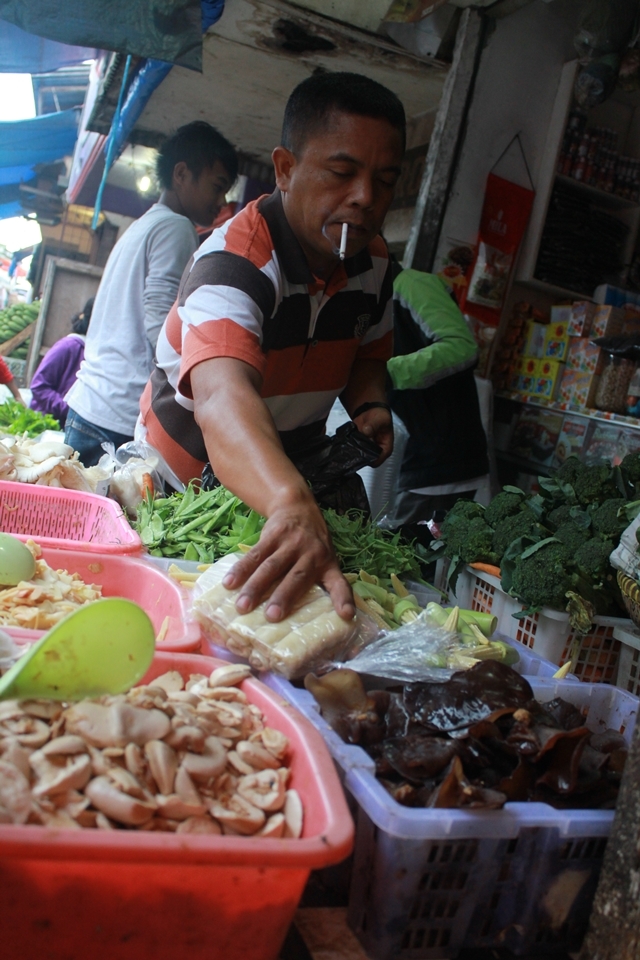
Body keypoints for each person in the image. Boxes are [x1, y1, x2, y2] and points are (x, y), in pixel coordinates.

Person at [139, 71, 405, 624]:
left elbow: (368, 354)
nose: (364, 198)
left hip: (278, 477)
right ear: (285, 169)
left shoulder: (374, 262)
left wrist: (369, 405)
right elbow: (220, 396)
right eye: (342, 172)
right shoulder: (232, 262)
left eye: (384, 180)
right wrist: (288, 501)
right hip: (181, 489)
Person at [64, 121, 238, 466]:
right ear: (181, 174)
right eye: (217, 187)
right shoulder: (176, 227)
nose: (221, 203)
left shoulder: (143, 225)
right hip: (116, 418)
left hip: (91, 405)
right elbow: (160, 324)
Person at [387, 268, 489, 534]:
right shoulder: (371, 300)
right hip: (412, 459)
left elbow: (461, 347)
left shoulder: (411, 284)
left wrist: (380, 372)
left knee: (405, 559)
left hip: (437, 461)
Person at [29, 297, 94, 425]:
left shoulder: (98, 353)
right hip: (45, 424)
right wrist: (69, 409)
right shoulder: (68, 346)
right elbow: (39, 386)